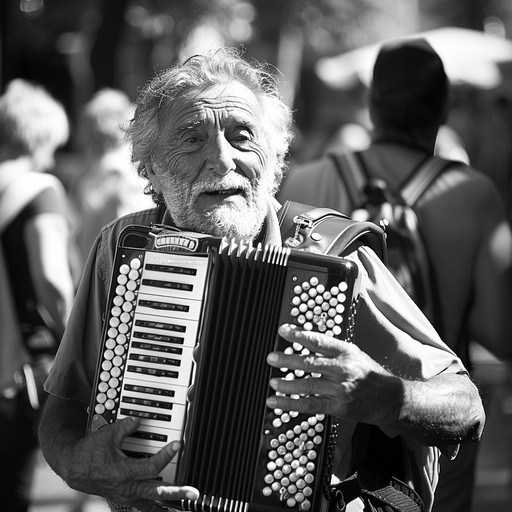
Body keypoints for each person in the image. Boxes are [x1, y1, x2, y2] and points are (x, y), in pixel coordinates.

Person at [38, 48, 485, 512]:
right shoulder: (119, 247)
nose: (222, 160)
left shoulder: (333, 258)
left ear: (273, 158)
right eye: (192, 139)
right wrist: (76, 463)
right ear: (150, 168)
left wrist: (382, 396)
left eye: (242, 136)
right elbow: (64, 405)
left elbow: (466, 407)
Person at [278, 39, 512, 512]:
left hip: (329, 446)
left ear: (372, 105)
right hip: (437, 436)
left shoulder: (305, 183)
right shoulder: (472, 194)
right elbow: (502, 333)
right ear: (443, 106)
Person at [0, 79, 76, 511]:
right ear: (41, 136)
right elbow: (50, 276)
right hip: (19, 371)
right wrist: (76, 337)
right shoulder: (39, 191)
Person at [70, 88, 154, 265]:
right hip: (119, 277)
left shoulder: (84, 179)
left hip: (90, 275)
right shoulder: (127, 176)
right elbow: (132, 238)